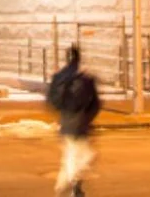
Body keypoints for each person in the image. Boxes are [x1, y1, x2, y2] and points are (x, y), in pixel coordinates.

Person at [47, 45, 101, 197]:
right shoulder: (86, 79)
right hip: (81, 123)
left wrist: (62, 114)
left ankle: (65, 185)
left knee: (71, 154)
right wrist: (88, 118)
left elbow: (51, 100)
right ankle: (71, 184)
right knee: (86, 155)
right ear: (79, 58)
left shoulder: (59, 77)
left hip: (66, 122)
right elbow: (96, 104)